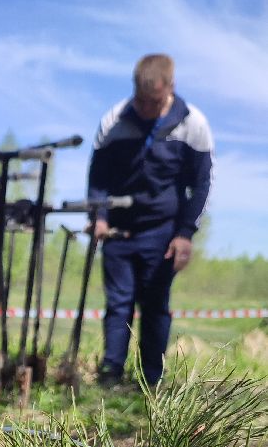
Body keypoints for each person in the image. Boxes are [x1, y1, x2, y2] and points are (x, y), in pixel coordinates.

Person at [87, 53, 213, 386]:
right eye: (140, 100)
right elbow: (97, 176)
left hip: (163, 233)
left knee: (156, 306)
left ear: (171, 87)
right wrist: (99, 216)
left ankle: (150, 380)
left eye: (153, 102)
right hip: (118, 231)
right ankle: (110, 374)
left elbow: (201, 185)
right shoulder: (114, 120)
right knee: (118, 303)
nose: (145, 109)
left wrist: (185, 234)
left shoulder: (193, 124)